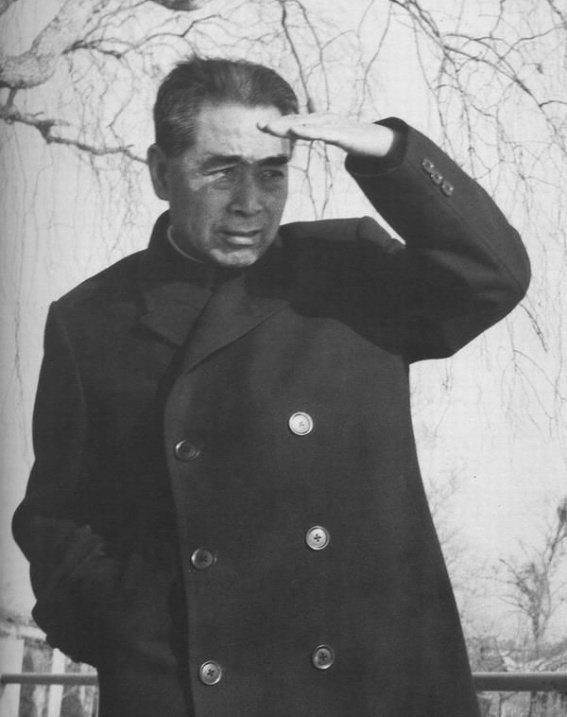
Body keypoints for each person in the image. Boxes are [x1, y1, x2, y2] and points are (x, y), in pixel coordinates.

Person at [13, 57, 530, 717]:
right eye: (221, 170)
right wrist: (131, 635)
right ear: (160, 172)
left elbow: (493, 276)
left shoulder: (348, 269)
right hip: (185, 687)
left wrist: (389, 153)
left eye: (272, 172)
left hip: (369, 689)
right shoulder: (92, 319)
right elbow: (57, 514)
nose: (249, 202)